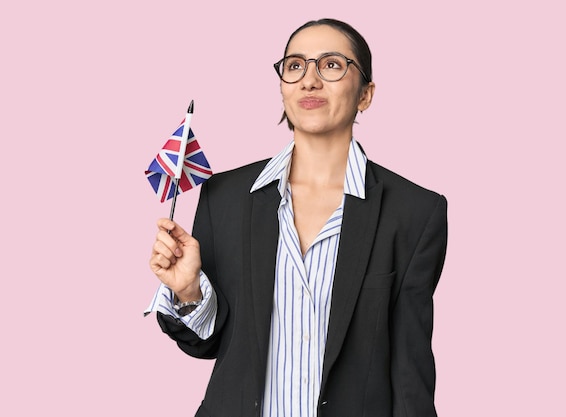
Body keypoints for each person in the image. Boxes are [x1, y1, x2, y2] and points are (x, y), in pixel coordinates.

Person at [147, 18, 448, 417]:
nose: (309, 80)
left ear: (365, 94)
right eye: (295, 66)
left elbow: (410, 374)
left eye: (332, 64)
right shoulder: (226, 197)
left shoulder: (414, 213)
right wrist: (189, 292)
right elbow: (208, 344)